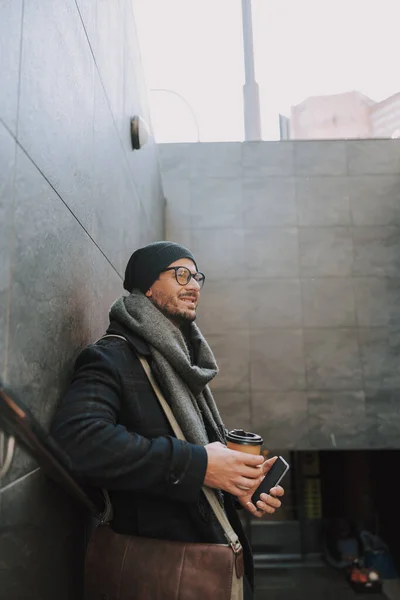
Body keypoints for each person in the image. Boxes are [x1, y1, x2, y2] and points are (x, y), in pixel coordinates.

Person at [51, 241, 284, 600]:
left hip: (210, 565)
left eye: (197, 277)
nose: (194, 286)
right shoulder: (112, 357)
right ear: (146, 285)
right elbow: (78, 440)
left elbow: (193, 463)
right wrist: (201, 465)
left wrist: (234, 486)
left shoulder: (179, 364)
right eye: (180, 274)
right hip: (162, 573)